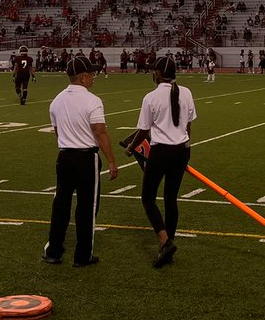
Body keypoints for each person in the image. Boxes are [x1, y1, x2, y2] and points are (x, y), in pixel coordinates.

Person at [43, 55, 118, 267]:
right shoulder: (92, 101)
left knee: (60, 205)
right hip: (86, 158)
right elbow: (100, 132)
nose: (94, 77)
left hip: (64, 156)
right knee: (87, 207)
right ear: (83, 77)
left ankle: (54, 250)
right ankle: (83, 255)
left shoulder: (56, 101)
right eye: (91, 74)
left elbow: (57, 132)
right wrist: (111, 161)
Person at [128, 55, 196, 268]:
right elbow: (188, 126)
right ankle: (169, 246)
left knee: (148, 198)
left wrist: (131, 148)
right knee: (170, 198)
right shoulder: (186, 92)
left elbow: (144, 130)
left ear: (158, 74)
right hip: (182, 150)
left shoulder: (151, 97)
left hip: (161, 152)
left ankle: (164, 241)